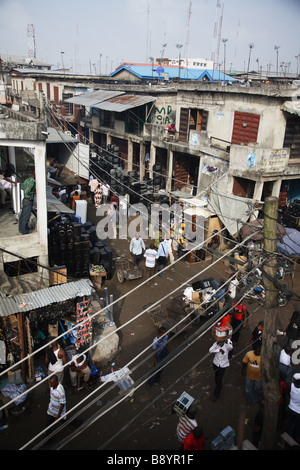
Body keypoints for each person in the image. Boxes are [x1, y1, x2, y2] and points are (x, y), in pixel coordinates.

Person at [45, 374, 66, 438]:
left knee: (65, 420)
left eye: (51, 383)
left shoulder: (60, 391)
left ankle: (77, 423)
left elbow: (62, 404)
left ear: (56, 382)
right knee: (48, 424)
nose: (50, 384)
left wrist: (57, 417)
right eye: (50, 383)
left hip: (58, 411)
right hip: (51, 410)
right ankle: (49, 439)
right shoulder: (52, 387)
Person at [286, 373, 300, 443]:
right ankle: (296, 441)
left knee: (289, 425)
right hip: (299, 412)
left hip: (291, 408)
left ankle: (288, 440)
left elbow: (288, 394)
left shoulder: (291, 386)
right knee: (298, 428)